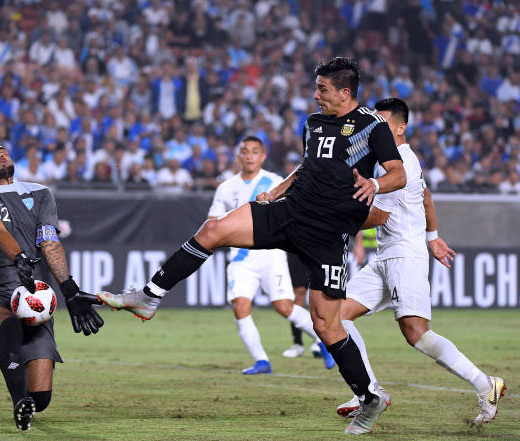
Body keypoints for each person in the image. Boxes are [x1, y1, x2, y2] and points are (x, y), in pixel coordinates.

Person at [98, 57, 407, 434]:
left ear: (345, 92)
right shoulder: (312, 123)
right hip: (289, 212)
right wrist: (277, 190)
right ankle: (149, 296)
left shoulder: (373, 126)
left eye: (322, 89)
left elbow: (398, 174)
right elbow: (308, 165)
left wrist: (374, 185)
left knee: (326, 325)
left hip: (328, 232)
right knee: (213, 229)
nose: (315, 94)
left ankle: (369, 397)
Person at [334, 98, 505, 428]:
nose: (374, 128)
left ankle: (487, 385)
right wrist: (433, 236)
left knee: (416, 334)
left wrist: (334, 218)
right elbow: (425, 197)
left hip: (404, 257)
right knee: (337, 317)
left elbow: (378, 215)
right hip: (387, 256)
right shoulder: (392, 161)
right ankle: (369, 392)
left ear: (400, 128)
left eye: (381, 123)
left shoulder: (400, 164)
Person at [0, 134, 104, 431]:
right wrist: (19, 258)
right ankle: (17, 402)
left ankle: (27, 399)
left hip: (32, 296)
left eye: (1, 149)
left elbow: (49, 242)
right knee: (9, 325)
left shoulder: (40, 194)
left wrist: (69, 289)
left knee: (41, 397)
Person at [207, 135, 335, 374]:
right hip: (241, 257)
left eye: (254, 151)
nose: (249, 155)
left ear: (262, 156)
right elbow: (213, 220)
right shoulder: (226, 187)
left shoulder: (275, 181)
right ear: (239, 156)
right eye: (245, 151)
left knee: (284, 306)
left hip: (271, 255)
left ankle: (323, 343)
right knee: (240, 307)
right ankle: (261, 361)